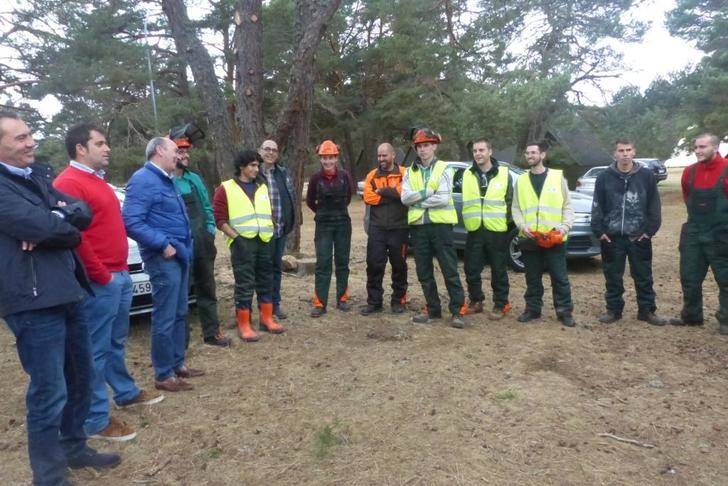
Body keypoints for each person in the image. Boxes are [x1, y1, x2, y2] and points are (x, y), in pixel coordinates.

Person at [0, 110, 120, 486]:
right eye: (19, 138)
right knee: (50, 391)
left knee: (81, 378)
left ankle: (74, 447)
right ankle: (49, 476)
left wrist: (57, 220)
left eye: (29, 134)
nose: (30, 141)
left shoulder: (37, 175)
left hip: (68, 290)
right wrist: (57, 220)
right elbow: (43, 224)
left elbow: (77, 216)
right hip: (32, 301)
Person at [54, 123, 164, 443]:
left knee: (116, 342)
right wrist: (101, 274)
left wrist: (120, 273)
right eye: (100, 143)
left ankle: (125, 392)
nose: (107, 148)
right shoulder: (69, 183)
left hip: (120, 273)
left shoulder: (97, 182)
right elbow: (76, 237)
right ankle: (95, 418)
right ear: (80, 149)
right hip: (99, 280)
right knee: (93, 351)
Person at [122, 137, 204, 392]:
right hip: (163, 257)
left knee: (180, 312)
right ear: (159, 151)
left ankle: (178, 364)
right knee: (165, 316)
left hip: (180, 254)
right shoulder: (143, 179)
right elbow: (132, 221)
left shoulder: (167, 180)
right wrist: (163, 245)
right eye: (174, 151)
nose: (178, 155)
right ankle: (163, 374)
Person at [591, 138, 666, 325]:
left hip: (638, 236)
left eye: (628, 150)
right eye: (621, 150)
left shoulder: (646, 176)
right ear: (615, 153)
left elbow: (654, 205)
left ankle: (647, 311)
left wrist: (649, 231)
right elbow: (597, 205)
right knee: (612, 276)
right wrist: (599, 231)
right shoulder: (604, 177)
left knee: (644, 276)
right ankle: (614, 310)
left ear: (634, 152)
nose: (625, 154)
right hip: (612, 237)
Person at [213, 150, 285, 341]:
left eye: (257, 165)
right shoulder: (226, 188)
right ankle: (244, 324)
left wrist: (271, 230)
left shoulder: (262, 187)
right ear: (241, 167)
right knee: (245, 284)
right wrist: (236, 238)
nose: (256, 168)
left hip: (264, 241)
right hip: (242, 243)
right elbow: (219, 219)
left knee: (266, 281)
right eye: (252, 165)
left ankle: (266, 318)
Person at [170, 126, 231, 347]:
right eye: (180, 151)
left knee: (207, 288)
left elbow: (207, 207)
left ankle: (212, 333)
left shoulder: (194, 178)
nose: (185, 155)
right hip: (179, 246)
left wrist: (209, 231)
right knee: (181, 295)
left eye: (187, 152)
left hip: (202, 244)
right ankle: (180, 341)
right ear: (169, 153)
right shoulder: (166, 180)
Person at [401, 128, 467, 328]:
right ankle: (433, 309)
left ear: (434, 146)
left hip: (441, 227)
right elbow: (404, 198)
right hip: (419, 228)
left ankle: (458, 311)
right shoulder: (410, 171)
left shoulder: (445, 168)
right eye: (419, 146)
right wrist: (429, 191)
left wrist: (418, 200)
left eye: (426, 145)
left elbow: (443, 198)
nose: (422, 150)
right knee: (424, 271)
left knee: (449, 268)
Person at [512, 141, 576, 327]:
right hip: (530, 238)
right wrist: (522, 227)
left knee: (560, 278)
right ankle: (533, 309)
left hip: (554, 238)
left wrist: (564, 227)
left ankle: (564, 311)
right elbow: (515, 208)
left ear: (542, 155)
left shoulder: (557, 177)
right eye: (527, 153)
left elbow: (568, 206)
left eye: (533, 152)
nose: (530, 156)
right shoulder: (521, 180)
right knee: (532, 277)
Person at [670, 133, 728, 334]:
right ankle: (692, 316)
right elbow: (688, 196)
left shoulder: (726, 170)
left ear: (715, 147)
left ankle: (726, 320)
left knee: (725, 279)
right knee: (689, 277)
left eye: (702, 147)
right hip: (694, 231)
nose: (697, 151)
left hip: (721, 234)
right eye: (696, 147)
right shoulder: (689, 172)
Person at [459, 137, 513, 319]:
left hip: (496, 230)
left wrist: (505, 222)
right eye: (475, 151)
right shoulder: (467, 174)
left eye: (481, 150)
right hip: (475, 228)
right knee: (471, 268)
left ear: (490, 152)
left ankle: (501, 303)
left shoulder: (504, 173)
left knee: (498, 269)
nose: (478, 154)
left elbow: (511, 202)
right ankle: (476, 300)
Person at [306, 140, 355, 317]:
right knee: (323, 263)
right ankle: (320, 303)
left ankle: (342, 299)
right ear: (320, 159)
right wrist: (323, 213)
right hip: (323, 225)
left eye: (331, 158)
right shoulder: (315, 179)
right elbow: (311, 201)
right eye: (324, 158)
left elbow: (349, 197)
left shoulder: (345, 176)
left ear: (336, 157)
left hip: (343, 223)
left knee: (342, 262)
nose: (328, 161)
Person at [360, 142, 409, 315]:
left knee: (399, 266)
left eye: (384, 155)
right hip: (377, 229)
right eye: (379, 155)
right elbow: (368, 197)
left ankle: (398, 301)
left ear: (393, 155)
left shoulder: (404, 173)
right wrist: (391, 194)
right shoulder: (371, 175)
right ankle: (374, 302)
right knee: (374, 265)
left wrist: (382, 191)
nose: (381, 159)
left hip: (399, 228)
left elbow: (404, 194)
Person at [259, 139, 297, 320]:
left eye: (274, 150)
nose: (271, 153)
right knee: (262, 270)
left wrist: (290, 222)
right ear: (260, 152)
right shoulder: (254, 174)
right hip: (260, 233)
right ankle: (263, 305)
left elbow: (290, 198)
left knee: (275, 268)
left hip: (280, 231)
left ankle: (275, 304)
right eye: (267, 149)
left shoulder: (282, 173)